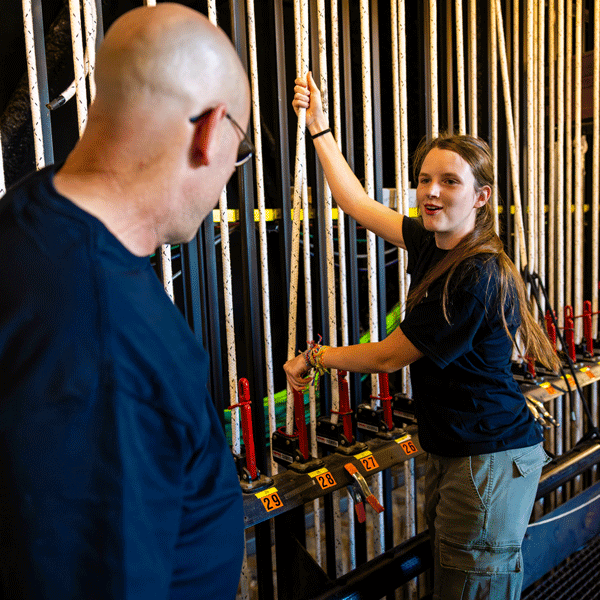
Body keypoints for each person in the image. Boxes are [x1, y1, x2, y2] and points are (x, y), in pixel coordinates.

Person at [0, 4, 252, 599]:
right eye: (238, 151)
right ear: (210, 130)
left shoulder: (28, 217)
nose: (226, 179)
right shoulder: (112, 346)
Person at [285, 72, 559, 600]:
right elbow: (357, 204)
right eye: (424, 178)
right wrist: (319, 126)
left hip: (487, 459)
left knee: (474, 589)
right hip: (462, 452)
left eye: (449, 182)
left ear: (481, 197)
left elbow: (390, 359)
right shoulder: (437, 242)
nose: (431, 192)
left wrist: (315, 357)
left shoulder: (474, 274)